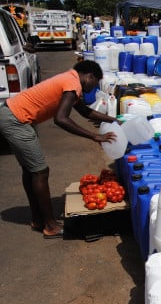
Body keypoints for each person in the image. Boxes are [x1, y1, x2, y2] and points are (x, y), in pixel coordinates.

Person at [0, 59, 118, 238]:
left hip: (12, 114)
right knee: (40, 171)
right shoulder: (73, 83)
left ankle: (38, 219)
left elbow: (86, 112)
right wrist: (95, 136)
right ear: (90, 76)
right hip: (17, 120)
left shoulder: (70, 81)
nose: (93, 87)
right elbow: (61, 119)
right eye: (95, 83)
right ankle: (50, 226)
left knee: (31, 170)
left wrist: (115, 120)